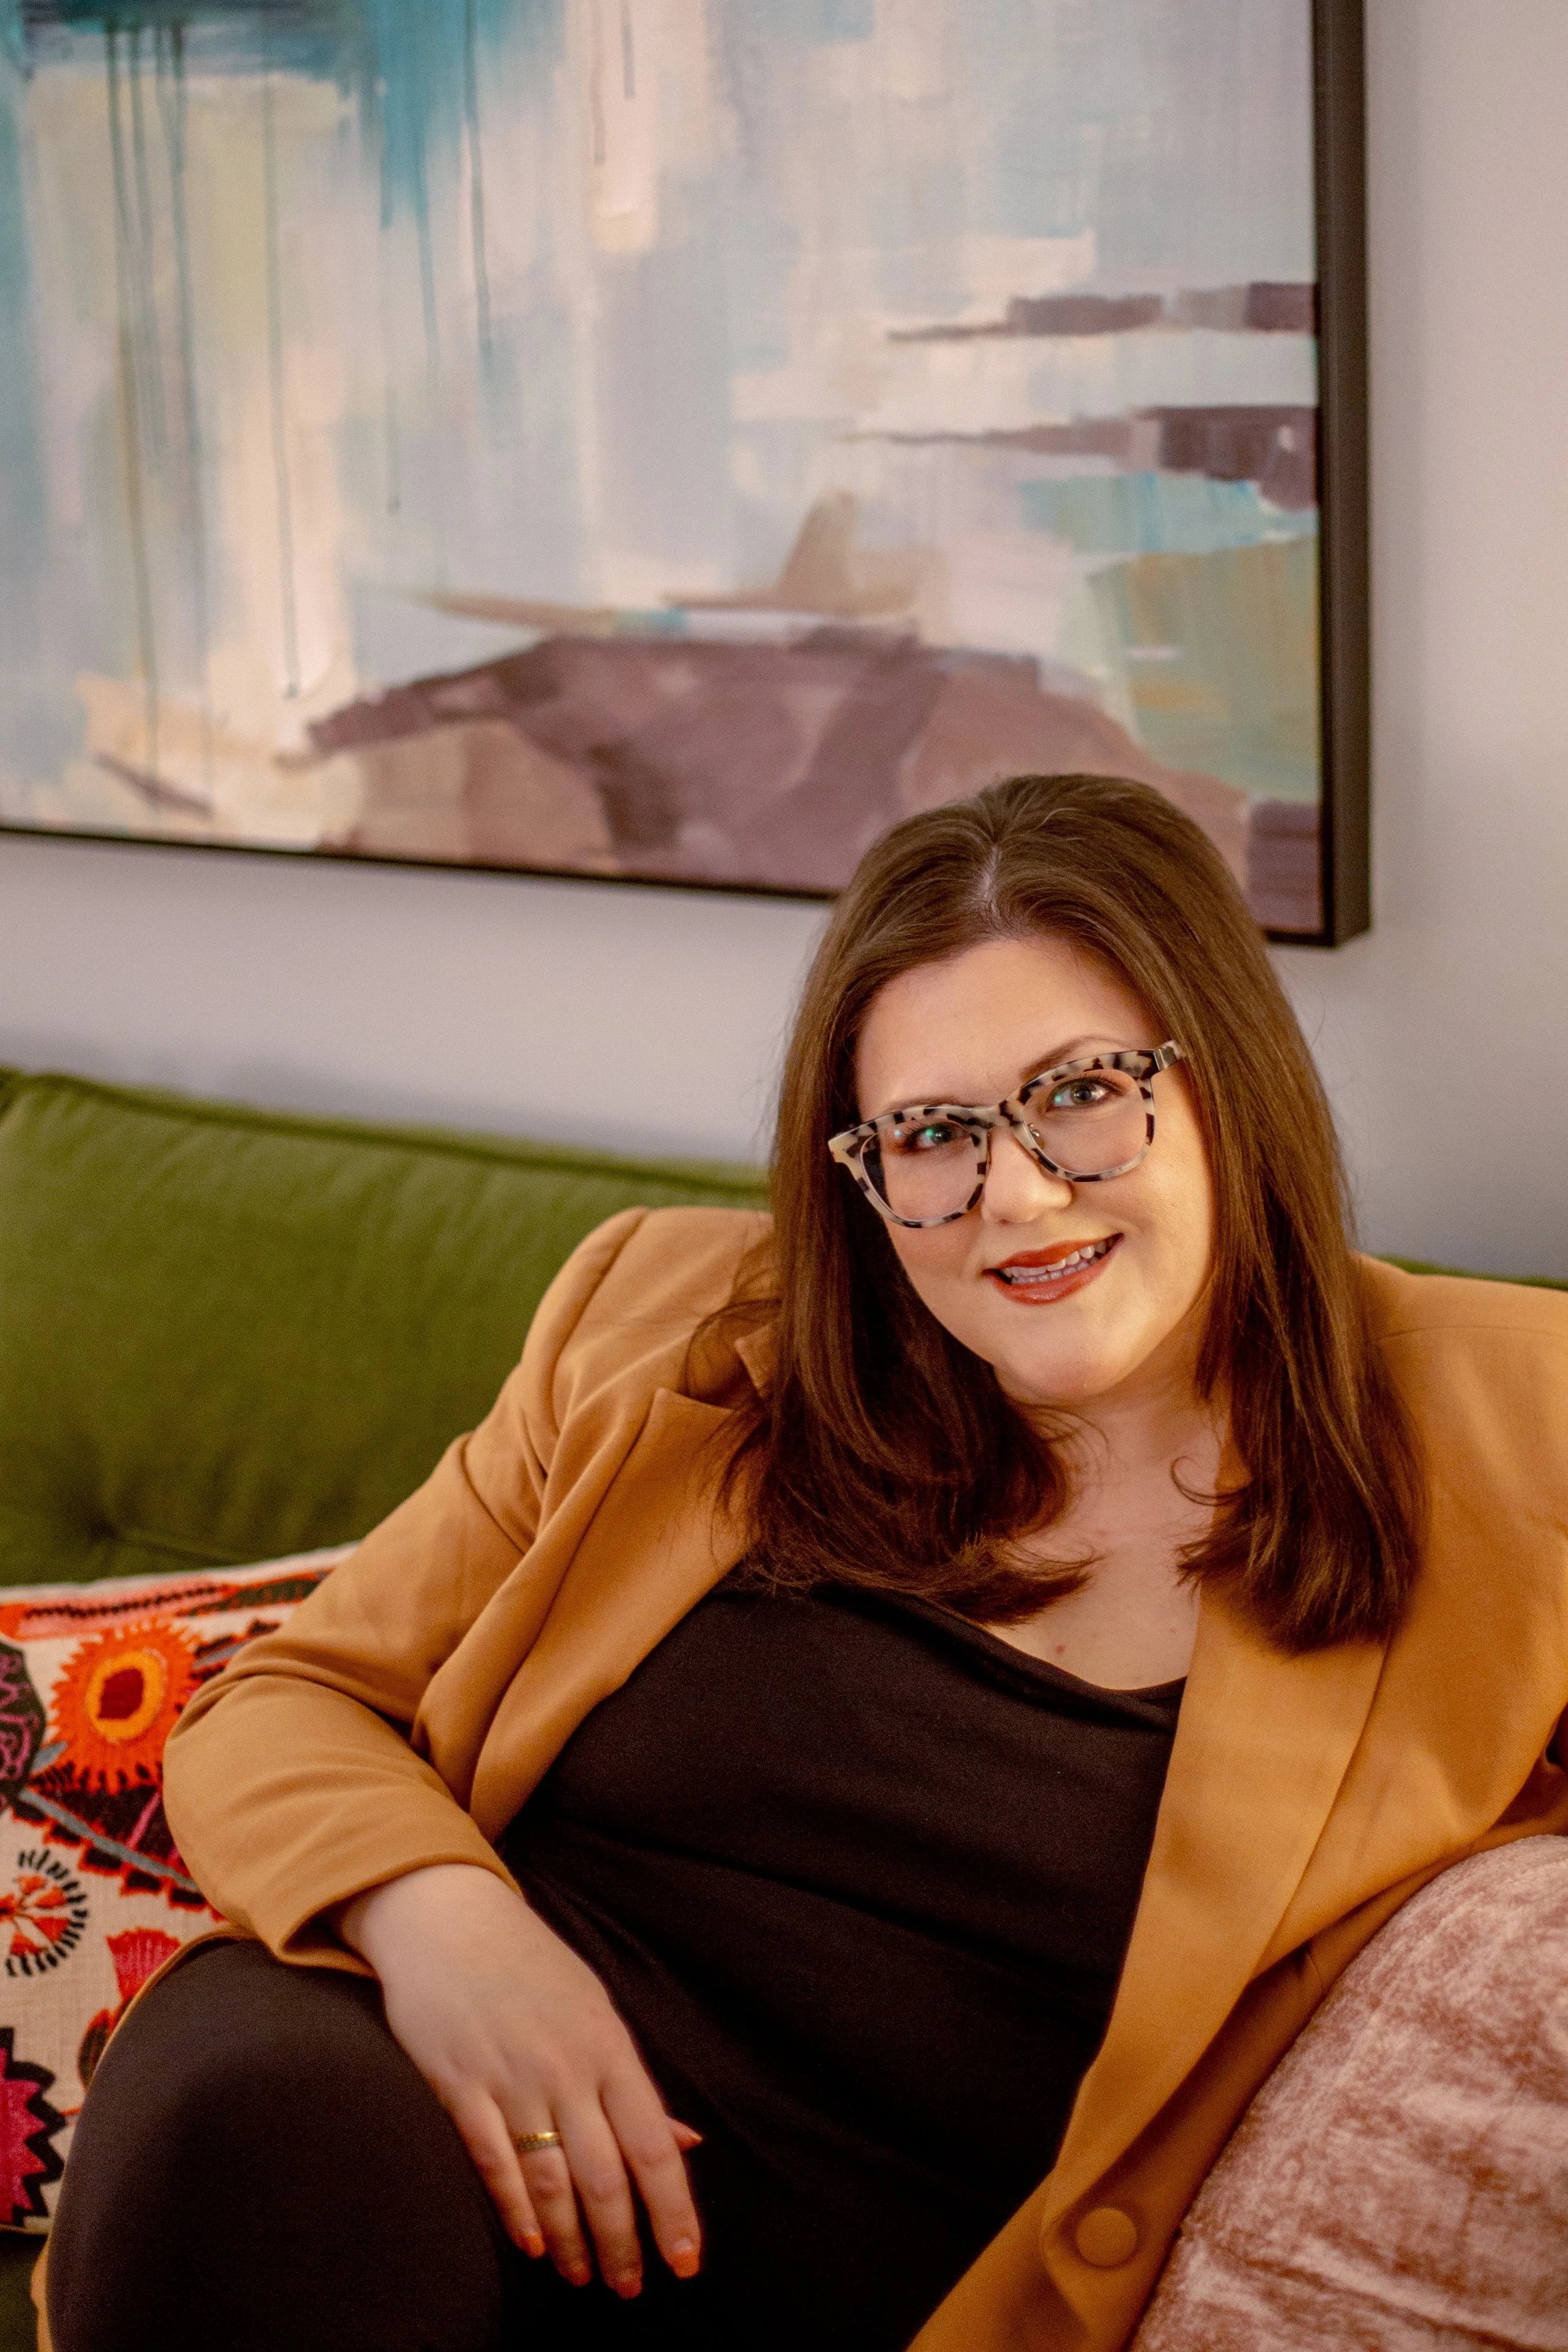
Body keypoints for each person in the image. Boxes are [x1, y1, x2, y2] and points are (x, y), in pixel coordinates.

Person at [46, 774, 1568, 2352]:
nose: (1015, 1196)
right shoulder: (665, 1318)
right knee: (242, 2113)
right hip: (399, 2139)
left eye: (1082, 1094)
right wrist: (449, 1931)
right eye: (931, 1134)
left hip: (890, 2285)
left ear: (1225, 1085)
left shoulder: (1521, 1422)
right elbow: (288, 1698)